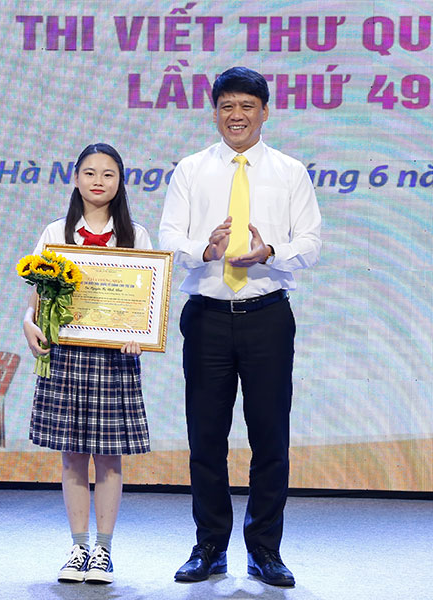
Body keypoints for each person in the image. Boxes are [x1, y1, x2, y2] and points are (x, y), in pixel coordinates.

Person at [159, 66, 322, 588]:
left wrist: (269, 251)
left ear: (264, 112)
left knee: (270, 438)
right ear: (215, 113)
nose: (237, 115)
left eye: (247, 106)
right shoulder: (191, 170)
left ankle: (265, 550)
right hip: (206, 317)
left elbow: (311, 243)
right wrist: (205, 250)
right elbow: (168, 239)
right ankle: (209, 547)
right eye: (227, 105)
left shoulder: (290, 172)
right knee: (205, 438)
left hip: (267, 316)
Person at [22, 143, 152, 585]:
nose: (98, 181)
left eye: (108, 174)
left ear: (120, 182)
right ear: (75, 178)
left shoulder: (136, 236)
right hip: (67, 355)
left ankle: (104, 552)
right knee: (73, 456)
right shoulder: (55, 232)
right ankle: (78, 547)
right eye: (90, 172)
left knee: (109, 458)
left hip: (115, 359)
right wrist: (27, 324)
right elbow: (34, 301)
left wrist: (139, 335)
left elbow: (146, 304)